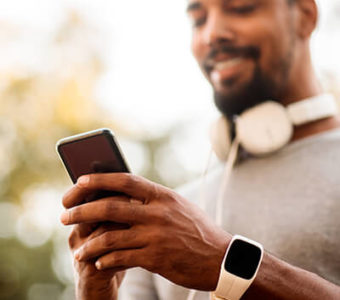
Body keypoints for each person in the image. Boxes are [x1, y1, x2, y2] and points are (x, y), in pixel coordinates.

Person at [60, 0, 340, 299]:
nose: (212, 34)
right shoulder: (165, 220)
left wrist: (226, 263)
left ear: (305, 16)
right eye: (198, 20)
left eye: (241, 8)